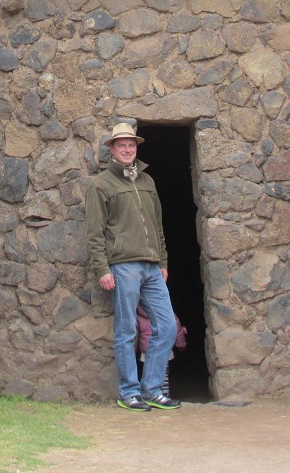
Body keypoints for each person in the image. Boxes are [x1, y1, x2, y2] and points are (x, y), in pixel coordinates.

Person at [85, 122, 181, 411]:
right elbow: (94, 232)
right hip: (123, 267)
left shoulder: (147, 181)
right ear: (112, 149)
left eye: (132, 145)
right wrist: (102, 269)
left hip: (152, 268)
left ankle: (151, 388)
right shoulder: (101, 184)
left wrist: (162, 261)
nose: (128, 149)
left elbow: (157, 225)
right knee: (126, 330)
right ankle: (129, 392)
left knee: (166, 326)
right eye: (121, 145)